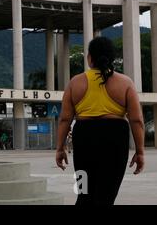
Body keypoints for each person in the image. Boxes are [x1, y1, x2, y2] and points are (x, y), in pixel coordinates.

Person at [56, 37, 145, 205]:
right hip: (115, 139)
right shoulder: (125, 83)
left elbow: (65, 118)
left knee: (83, 192)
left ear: (89, 58)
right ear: (112, 58)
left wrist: (60, 148)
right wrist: (140, 151)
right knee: (106, 195)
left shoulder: (75, 82)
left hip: (83, 138)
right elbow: (137, 120)